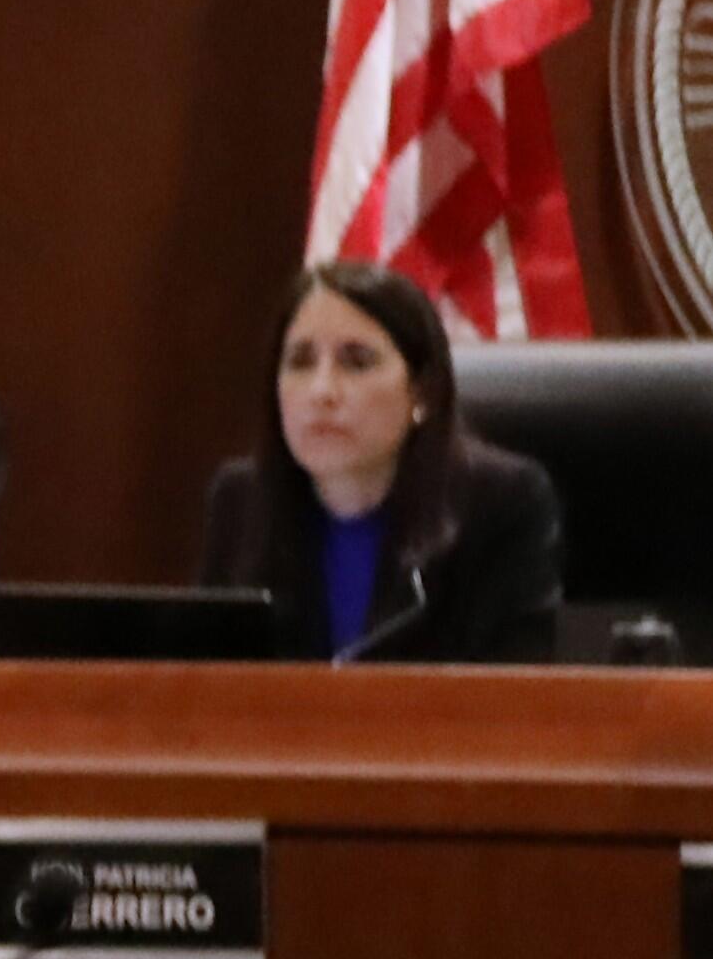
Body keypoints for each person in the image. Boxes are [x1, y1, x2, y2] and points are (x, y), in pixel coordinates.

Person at [198, 260, 564, 665]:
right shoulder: (241, 502)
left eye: (356, 362)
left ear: (422, 393)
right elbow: (211, 688)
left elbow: (516, 705)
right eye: (301, 362)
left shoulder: (498, 505)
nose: (322, 391)